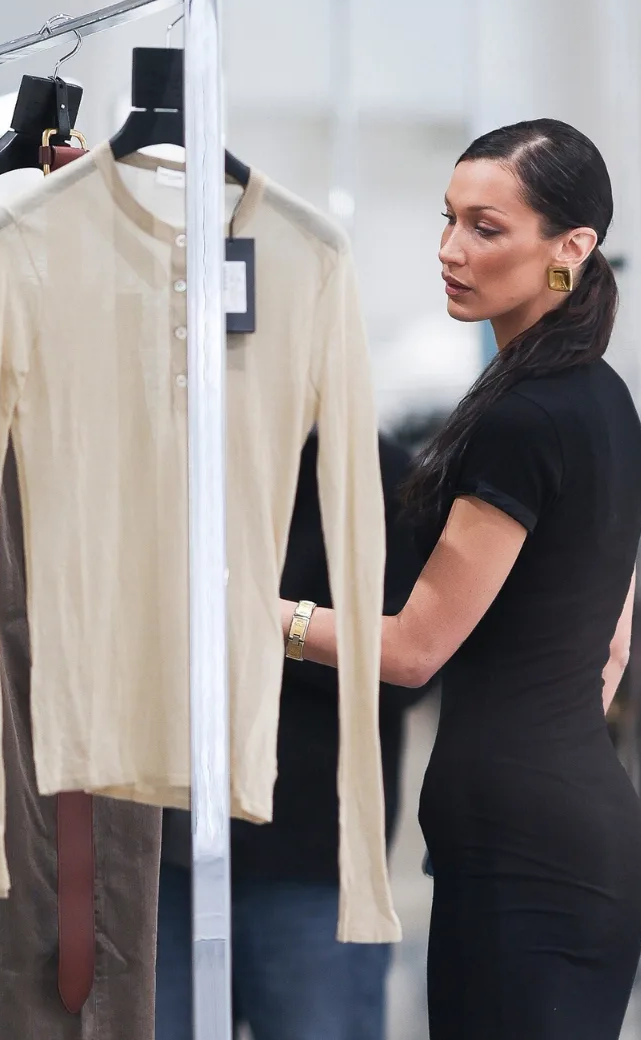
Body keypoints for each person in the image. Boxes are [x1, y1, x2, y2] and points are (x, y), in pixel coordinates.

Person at [279, 118, 641, 1040]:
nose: (450, 250)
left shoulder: (527, 417)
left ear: (572, 247)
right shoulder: (596, 397)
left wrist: (244, 613)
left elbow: (410, 652)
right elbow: (609, 647)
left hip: (530, 860)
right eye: (448, 220)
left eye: (486, 228)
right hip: (548, 838)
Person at [158, 434, 433, 1040]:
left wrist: (259, 628)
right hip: (161, 855)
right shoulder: (164, 453)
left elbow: (409, 668)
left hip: (311, 864)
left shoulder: (372, 471)